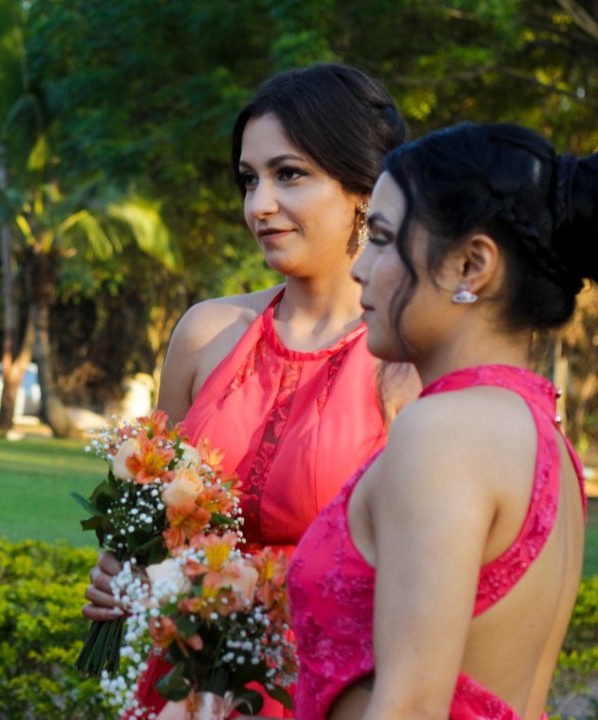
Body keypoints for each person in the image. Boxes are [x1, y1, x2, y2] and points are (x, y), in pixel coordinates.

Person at [81, 64, 419, 717]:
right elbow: (151, 520)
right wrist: (127, 572)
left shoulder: (406, 364)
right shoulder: (205, 332)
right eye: (249, 179)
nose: (257, 205)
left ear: (365, 188)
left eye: (288, 174)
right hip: (186, 685)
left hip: (329, 691)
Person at [285, 122, 589, 720]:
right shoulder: (542, 434)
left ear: (471, 265)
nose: (359, 267)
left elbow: (410, 707)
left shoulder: (443, 432)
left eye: (381, 238)